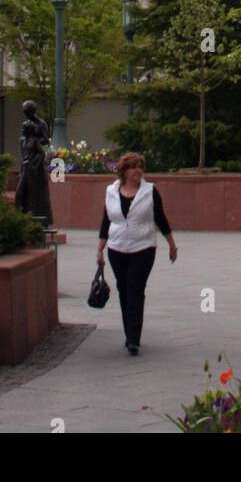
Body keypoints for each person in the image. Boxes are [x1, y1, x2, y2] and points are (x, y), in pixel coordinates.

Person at [97, 152, 176, 355]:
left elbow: (161, 218)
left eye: (140, 166)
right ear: (123, 171)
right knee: (123, 290)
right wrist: (100, 249)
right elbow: (106, 221)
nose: (137, 170)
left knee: (135, 290)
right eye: (133, 167)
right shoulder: (111, 191)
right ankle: (128, 332)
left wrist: (171, 245)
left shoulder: (150, 191)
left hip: (143, 248)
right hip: (116, 248)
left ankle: (134, 339)